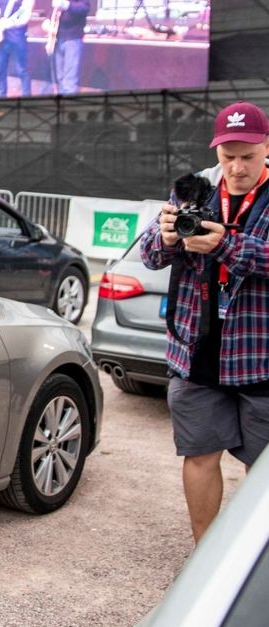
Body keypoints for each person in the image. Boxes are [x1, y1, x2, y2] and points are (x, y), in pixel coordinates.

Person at [140, 101, 269, 544]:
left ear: (265, 147)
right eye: (227, 156)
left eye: (247, 157)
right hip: (197, 349)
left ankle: (252, 565)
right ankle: (204, 555)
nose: (236, 167)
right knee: (198, 455)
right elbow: (149, 254)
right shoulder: (194, 190)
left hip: (260, 354)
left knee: (263, 467)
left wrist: (226, 247)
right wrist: (168, 235)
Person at [48, 0, 89, 95]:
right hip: (59, 36)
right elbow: (56, 10)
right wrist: (49, 21)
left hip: (73, 36)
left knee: (69, 82)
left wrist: (67, 5)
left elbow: (85, 7)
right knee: (60, 78)